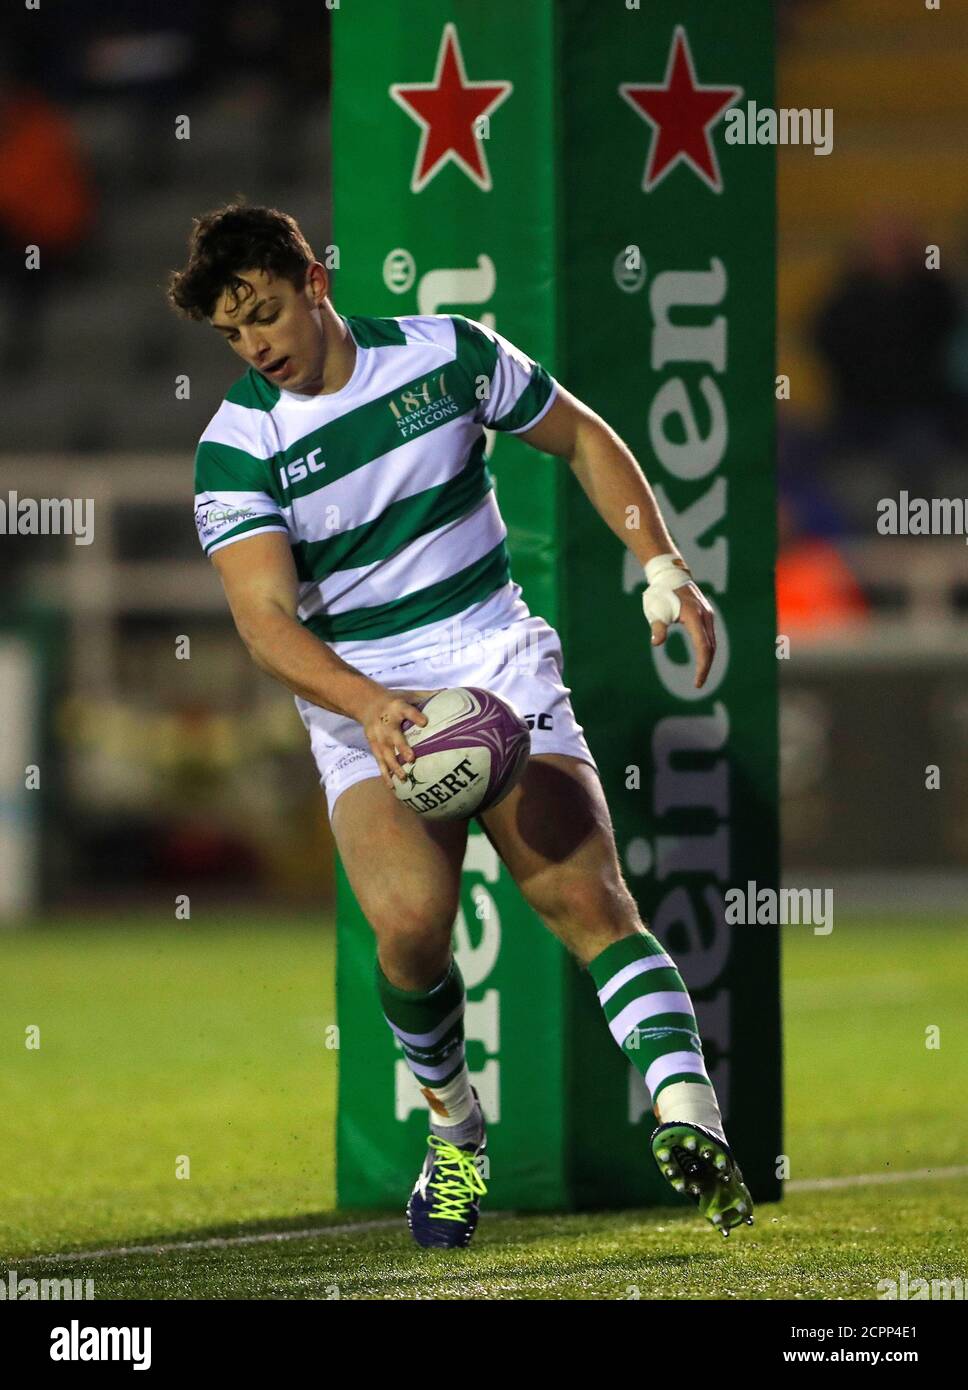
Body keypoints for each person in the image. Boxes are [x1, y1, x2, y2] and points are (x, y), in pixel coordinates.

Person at [167, 202, 753, 1249]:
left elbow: (578, 434)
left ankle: (689, 1117)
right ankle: (454, 1132)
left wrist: (661, 566)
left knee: (586, 896)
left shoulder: (444, 355)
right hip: (359, 688)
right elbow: (262, 622)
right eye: (232, 333)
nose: (257, 344)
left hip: (489, 654)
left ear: (314, 279)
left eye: (263, 312)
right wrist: (366, 704)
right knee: (409, 926)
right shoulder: (235, 446)